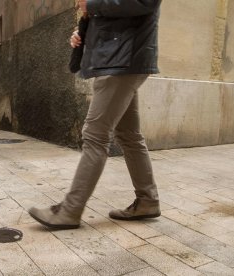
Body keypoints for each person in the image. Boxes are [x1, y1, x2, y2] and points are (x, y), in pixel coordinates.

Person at [29, 0, 162, 229]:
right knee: (129, 135)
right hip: (121, 58)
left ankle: (69, 211)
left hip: (123, 60)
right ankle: (147, 201)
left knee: (95, 135)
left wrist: (92, 6)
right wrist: (84, 33)